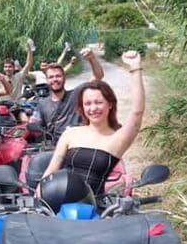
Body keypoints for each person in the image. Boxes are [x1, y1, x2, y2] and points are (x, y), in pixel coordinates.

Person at [39, 51, 144, 195]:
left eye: (99, 102)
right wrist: (39, 193)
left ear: (110, 104)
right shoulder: (71, 134)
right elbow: (51, 170)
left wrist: (135, 69)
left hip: (95, 210)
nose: (93, 108)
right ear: (82, 107)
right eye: (87, 104)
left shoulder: (118, 138)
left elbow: (137, 113)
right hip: (58, 206)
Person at [31, 47, 104, 143]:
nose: (55, 79)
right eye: (51, 77)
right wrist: (33, 123)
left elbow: (98, 76)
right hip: (55, 148)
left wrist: (92, 58)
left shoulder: (76, 94)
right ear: (47, 80)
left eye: (58, 76)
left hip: (78, 144)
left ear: (64, 78)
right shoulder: (42, 103)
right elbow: (37, 127)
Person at [0, 38, 34, 102]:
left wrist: (30, 49)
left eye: (10, 67)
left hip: (16, 105)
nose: (8, 69)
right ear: (3, 68)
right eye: (6, 67)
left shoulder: (19, 76)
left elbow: (28, 63)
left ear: (14, 68)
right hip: (3, 105)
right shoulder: (1, 77)